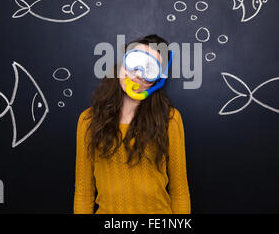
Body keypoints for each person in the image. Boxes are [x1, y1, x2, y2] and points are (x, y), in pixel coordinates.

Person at [74, 34, 191, 214]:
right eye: (134, 61)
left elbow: (180, 191)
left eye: (149, 69)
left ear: (158, 80)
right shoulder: (88, 120)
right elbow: (83, 193)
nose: (137, 74)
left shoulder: (170, 119)